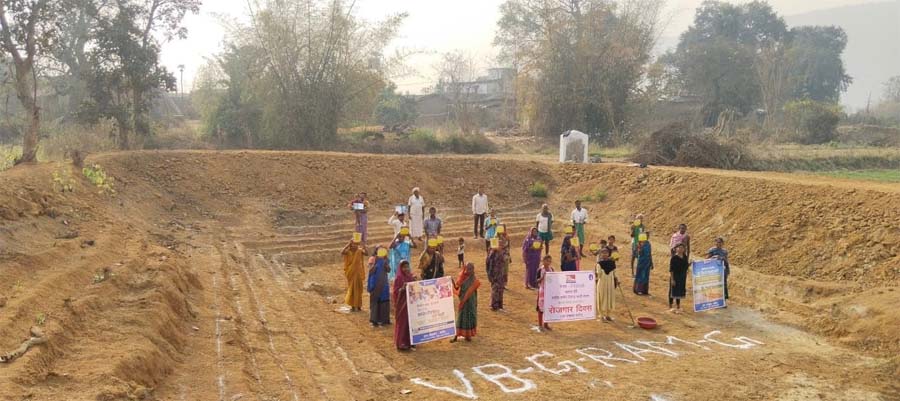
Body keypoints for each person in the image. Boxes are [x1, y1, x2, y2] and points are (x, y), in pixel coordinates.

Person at [451, 262, 480, 343]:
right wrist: (452, 281)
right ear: (465, 268)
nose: (469, 271)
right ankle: (456, 336)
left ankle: (468, 335)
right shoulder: (462, 277)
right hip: (463, 302)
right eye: (468, 269)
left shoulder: (474, 279)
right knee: (460, 318)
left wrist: (475, 302)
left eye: (471, 269)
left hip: (471, 302)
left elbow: (474, 292)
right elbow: (457, 288)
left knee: (470, 318)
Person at [393, 260, 416, 351]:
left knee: (410, 323)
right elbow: (395, 291)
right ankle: (400, 342)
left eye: (407, 267)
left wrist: (414, 281)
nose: (406, 269)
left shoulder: (410, 276)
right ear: (400, 268)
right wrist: (402, 289)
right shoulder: (399, 278)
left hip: (410, 304)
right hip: (402, 304)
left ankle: (409, 341)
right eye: (404, 267)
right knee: (402, 323)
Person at [341, 239, 368, 312]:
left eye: (356, 244)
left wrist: (364, 246)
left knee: (359, 289)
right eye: (353, 244)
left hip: (358, 273)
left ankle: (358, 306)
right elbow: (342, 252)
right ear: (351, 245)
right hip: (351, 273)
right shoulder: (348, 252)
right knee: (352, 290)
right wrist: (347, 244)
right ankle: (353, 306)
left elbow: (366, 253)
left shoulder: (359, 251)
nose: (355, 246)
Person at [367, 250, 391, 326]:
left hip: (383, 284)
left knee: (384, 301)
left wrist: (385, 262)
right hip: (375, 284)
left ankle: (384, 320)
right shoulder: (372, 259)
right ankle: (374, 321)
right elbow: (370, 271)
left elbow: (388, 270)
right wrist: (375, 263)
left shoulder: (385, 260)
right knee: (375, 302)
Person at [596, 247, 617, 322]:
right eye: (603, 253)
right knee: (603, 298)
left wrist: (617, 280)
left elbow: (615, 273)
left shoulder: (601, 263)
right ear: (600, 254)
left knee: (607, 297)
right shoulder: (602, 263)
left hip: (607, 283)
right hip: (604, 283)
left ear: (608, 254)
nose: (605, 254)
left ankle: (607, 315)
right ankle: (602, 316)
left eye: (606, 253)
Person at [486, 239, 508, 311]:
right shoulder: (492, 253)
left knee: (501, 290)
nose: (501, 246)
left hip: (501, 274)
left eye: (502, 245)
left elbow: (505, 261)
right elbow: (488, 264)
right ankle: (494, 305)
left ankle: (500, 305)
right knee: (495, 290)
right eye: (500, 245)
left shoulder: (503, 252)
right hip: (495, 275)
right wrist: (490, 275)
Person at [706, 237, 730, 301]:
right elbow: (707, 260)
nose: (718, 243)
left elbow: (726, 261)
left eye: (719, 242)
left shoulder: (724, 251)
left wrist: (727, 271)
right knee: (714, 285)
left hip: (722, 270)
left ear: (722, 243)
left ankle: (723, 301)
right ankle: (713, 300)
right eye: (716, 242)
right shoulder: (712, 250)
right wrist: (714, 257)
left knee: (723, 284)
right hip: (713, 270)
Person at [669, 243, 689, 313]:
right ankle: (671, 305)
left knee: (679, 291)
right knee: (672, 291)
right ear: (676, 249)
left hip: (682, 277)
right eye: (679, 248)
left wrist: (690, 264)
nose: (681, 249)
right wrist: (672, 279)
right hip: (675, 276)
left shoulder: (685, 257)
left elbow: (686, 266)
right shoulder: (674, 258)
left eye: (682, 248)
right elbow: (671, 269)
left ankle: (678, 305)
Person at [536, 255, 554, 332]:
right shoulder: (540, 270)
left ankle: (546, 324)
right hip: (542, 291)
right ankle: (540, 325)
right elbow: (536, 281)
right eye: (547, 261)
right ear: (543, 261)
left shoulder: (551, 269)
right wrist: (542, 278)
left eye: (550, 261)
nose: (548, 263)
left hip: (549, 291)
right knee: (541, 308)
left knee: (547, 308)